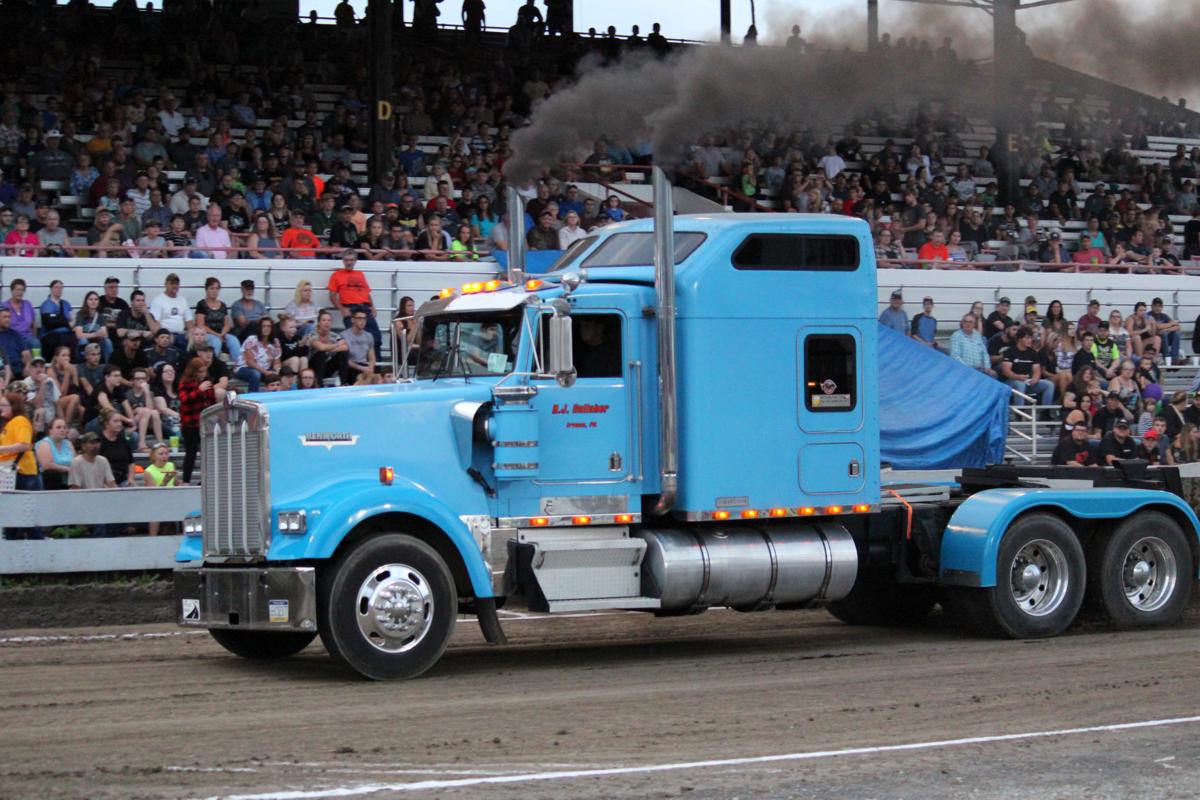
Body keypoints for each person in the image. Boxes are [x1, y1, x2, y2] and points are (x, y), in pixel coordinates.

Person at [0, 391, 41, 538]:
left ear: (14, 406)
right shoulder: (9, 424)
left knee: (22, 515)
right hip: (10, 473)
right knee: (14, 516)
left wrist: (2, 449)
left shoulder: (20, 421)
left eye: (4, 405)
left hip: (22, 472)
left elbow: (24, 445)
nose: (0, 408)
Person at [327, 249, 382, 358]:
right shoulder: (336, 275)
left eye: (351, 260)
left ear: (355, 261)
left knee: (376, 338)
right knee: (354, 340)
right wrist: (342, 309)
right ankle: (356, 366)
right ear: (343, 261)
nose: (349, 262)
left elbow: (367, 293)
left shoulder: (360, 274)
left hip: (365, 308)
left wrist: (373, 307)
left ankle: (376, 367)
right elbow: (332, 296)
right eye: (347, 260)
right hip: (350, 309)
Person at [178, 357, 216, 484]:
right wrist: (199, 390)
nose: (203, 374)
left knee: (207, 453)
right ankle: (186, 480)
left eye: (204, 371)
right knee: (191, 453)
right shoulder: (185, 383)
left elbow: (212, 401)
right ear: (193, 371)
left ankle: (206, 480)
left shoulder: (208, 383)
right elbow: (184, 399)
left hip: (204, 424)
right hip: (189, 424)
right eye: (200, 371)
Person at [1000, 326, 1055, 407]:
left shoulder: (1033, 353)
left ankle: (1046, 411)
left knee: (1049, 384)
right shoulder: (1010, 352)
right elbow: (1006, 371)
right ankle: (1020, 410)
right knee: (1020, 384)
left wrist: (1034, 379)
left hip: (1027, 381)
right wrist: (1018, 377)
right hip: (1011, 382)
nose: (1030, 340)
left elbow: (1037, 370)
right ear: (1019, 339)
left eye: (1031, 338)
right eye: (1027, 338)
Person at [235, 317, 282, 393]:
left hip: (264, 370)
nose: (266, 329)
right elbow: (250, 363)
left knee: (281, 375)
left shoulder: (275, 342)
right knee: (255, 374)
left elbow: (277, 363)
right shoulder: (251, 339)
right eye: (263, 326)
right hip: (244, 368)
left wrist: (277, 371)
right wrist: (266, 372)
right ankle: (252, 397)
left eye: (269, 326)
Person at [149, 273, 192, 350]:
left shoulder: (183, 300)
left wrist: (190, 333)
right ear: (166, 284)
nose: (175, 286)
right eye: (172, 283)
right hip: (166, 336)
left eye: (177, 284)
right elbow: (155, 323)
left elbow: (189, 321)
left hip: (182, 334)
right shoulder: (158, 300)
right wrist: (167, 335)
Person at [144, 441, 178, 536]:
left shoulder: (171, 465)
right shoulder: (148, 471)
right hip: (157, 501)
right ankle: (153, 538)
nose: (164, 456)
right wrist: (164, 482)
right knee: (155, 510)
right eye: (161, 454)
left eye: (166, 453)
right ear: (153, 456)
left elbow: (176, 483)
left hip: (172, 498)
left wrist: (177, 478)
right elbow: (154, 494)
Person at [309, 309, 351, 386]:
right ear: (319, 323)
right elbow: (321, 347)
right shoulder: (313, 334)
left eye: (329, 320)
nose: (327, 322)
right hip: (313, 368)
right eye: (324, 320)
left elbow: (345, 347)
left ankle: (343, 383)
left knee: (344, 353)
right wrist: (337, 345)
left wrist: (329, 348)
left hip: (327, 368)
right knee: (321, 354)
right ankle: (319, 385)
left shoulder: (335, 335)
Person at [35, 417, 75, 490]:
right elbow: (47, 465)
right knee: (51, 474)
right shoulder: (44, 444)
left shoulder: (68, 443)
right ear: (50, 430)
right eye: (58, 427)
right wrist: (67, 469)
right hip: (50, 481)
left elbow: (75, 463)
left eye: (64, 427)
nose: (62, 430)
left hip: (69, 480)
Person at [343, 309, 377, 379]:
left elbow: (372, 357)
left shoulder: (369, 336)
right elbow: (344, 359)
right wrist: (361, 368)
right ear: (352, 320)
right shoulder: (344, 335)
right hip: (350, 367)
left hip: (364, 365)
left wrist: (371, 367)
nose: (362, 321)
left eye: (364, 319)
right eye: (359, 318)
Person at [1148, 298, 1181, 364]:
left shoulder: (1164, 316)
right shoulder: (1148, 315)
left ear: (1162, 307)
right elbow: (1157, 326)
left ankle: (1175, 359)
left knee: (1176, 333)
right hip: (1154, 341)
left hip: (1165, 341)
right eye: (1155, 305)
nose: (1157, 308)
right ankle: (1166, 358)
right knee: (1164, 333)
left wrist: (1167, 329)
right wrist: (1170, 324)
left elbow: (1178, 326)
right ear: (1151, 306)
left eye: (1159, 306)